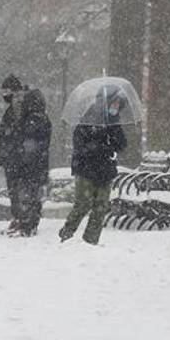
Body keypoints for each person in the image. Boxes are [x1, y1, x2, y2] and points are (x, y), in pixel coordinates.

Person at [59, 91, 127, 245]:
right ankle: (67, 233)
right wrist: (101, 145)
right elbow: (80, 144)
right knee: (83, 204)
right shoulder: (88, 118)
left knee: (101, 207)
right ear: (107, 101)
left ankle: (91, 240)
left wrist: (113, 134)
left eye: (118, 105)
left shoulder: (114, 122)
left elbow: (122, 144)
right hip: (86, 169)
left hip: (105, 170)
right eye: (114, 103)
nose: (116, 107)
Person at [11, 87, 52, 237]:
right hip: (40, 165)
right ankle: (31, 223)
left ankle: (27, 225)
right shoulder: (44, 119)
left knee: (27, 195)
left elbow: (26, 142)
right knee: (35, 196)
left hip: (28, 165)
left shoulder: (30, 120)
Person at [0, 74, 28, 234]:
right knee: (14, 191)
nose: (4, 95)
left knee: (18, 190)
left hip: (17, 158)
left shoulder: (19, 107)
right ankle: (18, 219)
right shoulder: (13, 108)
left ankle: (21, 220)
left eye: (6, 91)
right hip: (13, 157)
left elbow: (14, 133)